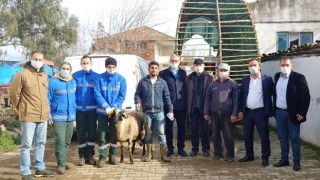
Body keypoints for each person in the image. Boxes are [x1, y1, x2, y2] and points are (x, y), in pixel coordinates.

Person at [9, 51, 55, 180]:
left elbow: (45, 96)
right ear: (31, 59)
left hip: (43, 116)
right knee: (26, 145)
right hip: (28, 116)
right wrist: (21, 109)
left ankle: (40, 168)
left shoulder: (44, 75)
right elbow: (13, 95)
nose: (38, 61)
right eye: (36, 59)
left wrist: (47, 112)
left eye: (40, 59)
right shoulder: (22, 74)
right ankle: (25, 172)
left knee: (41, 143)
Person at [273, 57, 310, 171]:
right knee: (282, 138)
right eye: (282, 65)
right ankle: (284, 159)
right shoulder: (277, 76)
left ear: (291, 66)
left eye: (287, 65)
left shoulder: (299, 78)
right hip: (279, 112)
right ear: (279, 65)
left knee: (294, 139)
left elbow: (306, 97)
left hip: (293, 114)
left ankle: (296, 162)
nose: (284, 67)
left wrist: (302, 112)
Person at [134, 60, 173, 162]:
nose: (154, 70)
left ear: (158, 70)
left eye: (156, 68)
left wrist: (170, 110)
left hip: (159, 112)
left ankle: (163, 155)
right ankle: (149, 155)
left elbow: (167, 97)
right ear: (149, 69)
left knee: (161, 133)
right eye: (152, 68)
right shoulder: (143, 82)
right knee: (148, 134)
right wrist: (137, 101)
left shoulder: (163, 82)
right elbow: (137, 94)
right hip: (147, 112)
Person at [238, 59, 274, 167]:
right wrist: (240, 110)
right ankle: (249, 155)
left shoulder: (267, 79)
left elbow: (274, 93)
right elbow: (241, 96)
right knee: (247, 135)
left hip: (261, 112)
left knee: (264, 136)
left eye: (254, 65)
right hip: (248, 112)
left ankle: (265, 157)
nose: (252, 67)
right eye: (250, 66)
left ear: (260, 66)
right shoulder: (245, 80)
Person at [94, 57, 127, 167]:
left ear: (116, 67)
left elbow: (122, 96)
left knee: (114, 135)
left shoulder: (121, 79)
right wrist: (106, 107)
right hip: (102, 112)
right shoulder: (99, 78)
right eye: (109, 67)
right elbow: (97, 94)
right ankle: (102, 158)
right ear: (106, 67)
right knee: (102, 135)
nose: (111, 68)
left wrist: (114, 107)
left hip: (115, 113)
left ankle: (112, 156)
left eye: (113, 67)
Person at [204, 63, 238, 162]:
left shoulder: (233, 84)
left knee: (228, 135)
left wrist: (234, 114)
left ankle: (230, 155)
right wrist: (206, 112)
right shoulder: (213, 84)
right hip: (214, 114)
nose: (222, 72)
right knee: (215, 135)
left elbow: (236, 100)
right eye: (221, 70)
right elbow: (207, 99)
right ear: (218, 71)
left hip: (227, 114)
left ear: (229, 71)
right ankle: (217, 153)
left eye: (225, 70)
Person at [48, 62, 76, 174]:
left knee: (67, 141)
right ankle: (60, 165)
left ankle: (63, 161)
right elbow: (47, 99)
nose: (65, 70)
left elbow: (75, 98)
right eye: (63, 68)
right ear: (59, 69)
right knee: (60, 140)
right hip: (58, 117)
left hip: (70, 117)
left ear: (70, 70)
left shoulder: (73, 82)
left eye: (67, 68)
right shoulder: (53, 82)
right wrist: (48, 115)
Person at [72, 55, 99, 166]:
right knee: (81, 134)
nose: (85, 65)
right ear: (80, 64)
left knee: (92, 134)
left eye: (87, 63)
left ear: (91, 64)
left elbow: (98, 94)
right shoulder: (74, 76)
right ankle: (82, 156)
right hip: (80, 111)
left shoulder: (97, 77)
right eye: (84, 63)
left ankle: (90, 155)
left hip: (92, 111)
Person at [159, 54, 188, 157]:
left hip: (181, 106)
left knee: (181, 128)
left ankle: (181, 148)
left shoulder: (183, 73)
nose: (174, 62)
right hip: (168, 106)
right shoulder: (163, 73)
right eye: (172, 60)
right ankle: (170, 148)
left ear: (179, 61)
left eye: (176, 61)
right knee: (168, 128)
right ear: (169, 61)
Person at [186, 58, 213, 157]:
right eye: (196, 65)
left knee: (205, 130)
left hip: (204, 109)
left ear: (203, 66)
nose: (198, 67)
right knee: (193, 130)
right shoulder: (189, 78)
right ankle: (195, 149)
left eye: (200, 65)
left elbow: (211, 95)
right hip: (193, 109)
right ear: (193, 66)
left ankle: (206, 149)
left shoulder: (209, 78)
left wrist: (209, 110)